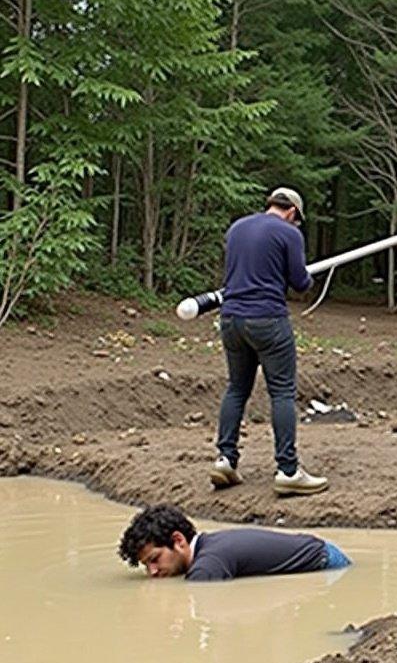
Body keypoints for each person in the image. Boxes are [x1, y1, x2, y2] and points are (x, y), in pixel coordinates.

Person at [211, 186, 328, 497]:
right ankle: (288, 470)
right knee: (282, 392)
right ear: (291, 212)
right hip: (268, 319)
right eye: (297, 220)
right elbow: (300, 283)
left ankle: (225, 459)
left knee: (237, 388)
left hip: (231, 318)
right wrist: (306, 275)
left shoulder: (237, 228)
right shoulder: (289, 234)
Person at [118, 504, 351, 581]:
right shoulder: (210, 546)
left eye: (154, 560)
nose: (152, 572)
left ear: (178, 541)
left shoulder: (207, 566)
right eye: (146, 566)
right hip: (321, 551)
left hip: (327, 565)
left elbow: (200, 597)